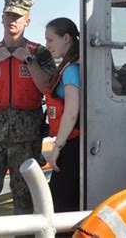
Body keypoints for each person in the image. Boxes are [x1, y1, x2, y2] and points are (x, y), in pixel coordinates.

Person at [0, 0, 56, 219]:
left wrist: (28, 60)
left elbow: (48, 88)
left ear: (27, 20)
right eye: (8, 15)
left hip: (27, 137)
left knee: (25, 198)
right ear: (2, 18)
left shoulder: (40, 54)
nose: (12, 20)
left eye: (17, 16)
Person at [44, 17, 80, 223]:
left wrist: (57, 147)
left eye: (50, 40)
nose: (47, 46)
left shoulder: (71, 70)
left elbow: (72, 110)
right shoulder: (74, 66)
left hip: (71, 146)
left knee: (61, 204)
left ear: (66, 38)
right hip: (74, 143)